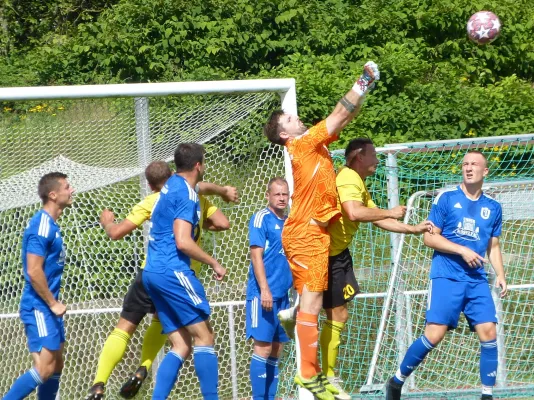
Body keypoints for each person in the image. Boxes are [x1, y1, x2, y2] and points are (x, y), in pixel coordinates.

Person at [263, 61, 380, 400]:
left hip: (315, 234)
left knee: (313, 305)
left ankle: (307, 362)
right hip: (304, 233)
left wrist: (364, 91)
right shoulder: (301, 144)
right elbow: (339, 114)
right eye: (288, 120)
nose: (295, 118)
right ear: (286, 134)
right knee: (314, 305)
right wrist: (362, 81)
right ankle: (307, 374)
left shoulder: (314, 144)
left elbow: (347, 117)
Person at [85, 161, 237, 400]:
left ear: (149, 184)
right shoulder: (192, 196)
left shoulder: (152, 201)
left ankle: (99, 383)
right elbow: (222, 222)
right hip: (179, 274)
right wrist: (215, 201)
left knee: (127, 327)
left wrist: (107, 223)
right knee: (192, 335)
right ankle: (145, 366)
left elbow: (116, 233)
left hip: (151, 274)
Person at [385, 151, 507, 400]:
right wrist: (461, 250)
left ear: (485, 172)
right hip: (446, 276)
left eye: (474, 164)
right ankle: (396, 382)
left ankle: (487, 395)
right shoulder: (447, 198)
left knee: (489, 332)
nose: (468, 168)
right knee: (434, 334)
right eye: (465, 164)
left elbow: (493, 246)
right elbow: (429, 237)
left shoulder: (493, 207)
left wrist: (501, 274)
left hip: (476, 279)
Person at [318, 138, 433, 399]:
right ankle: (327, 377)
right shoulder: (347, 177)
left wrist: (412, 229)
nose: (377, 160)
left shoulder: (357, 181)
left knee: (338, 316)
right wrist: (391, 212)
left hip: (339, 254)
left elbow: (376, 216)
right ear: (359, 156)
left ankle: (326, 374)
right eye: (373, 154)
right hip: (327, 255)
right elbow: (354, 213)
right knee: (334, 316)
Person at [142, 143, 226, 400]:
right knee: (205, 336)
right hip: (173, 270)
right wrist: (213, 262)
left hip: (153, 272)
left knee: (180, 344)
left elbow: (200, 186)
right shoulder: (187, 195)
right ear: (198, 165)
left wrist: (222, 190)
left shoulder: (170, 185)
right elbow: (183, 241)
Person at [3, 172, 75, 399]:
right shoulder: (41, 226)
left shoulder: (52, 226)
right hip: (39, 307)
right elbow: (33, 270)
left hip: (46, 308)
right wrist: (52, 303)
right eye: (66, 187)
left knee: (56, 365)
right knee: (44, 369)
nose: (71, 190)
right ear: (53, 195)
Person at [246, 177, 293, 400]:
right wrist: (264, 289)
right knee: (262, 349)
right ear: (268, 195)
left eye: (285, 194)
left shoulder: (291, 221)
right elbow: (256, 256)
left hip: (284, 296)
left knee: (277, 349)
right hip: (263, 295)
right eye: (277, 194)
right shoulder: (260, 219)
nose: (282, 198)